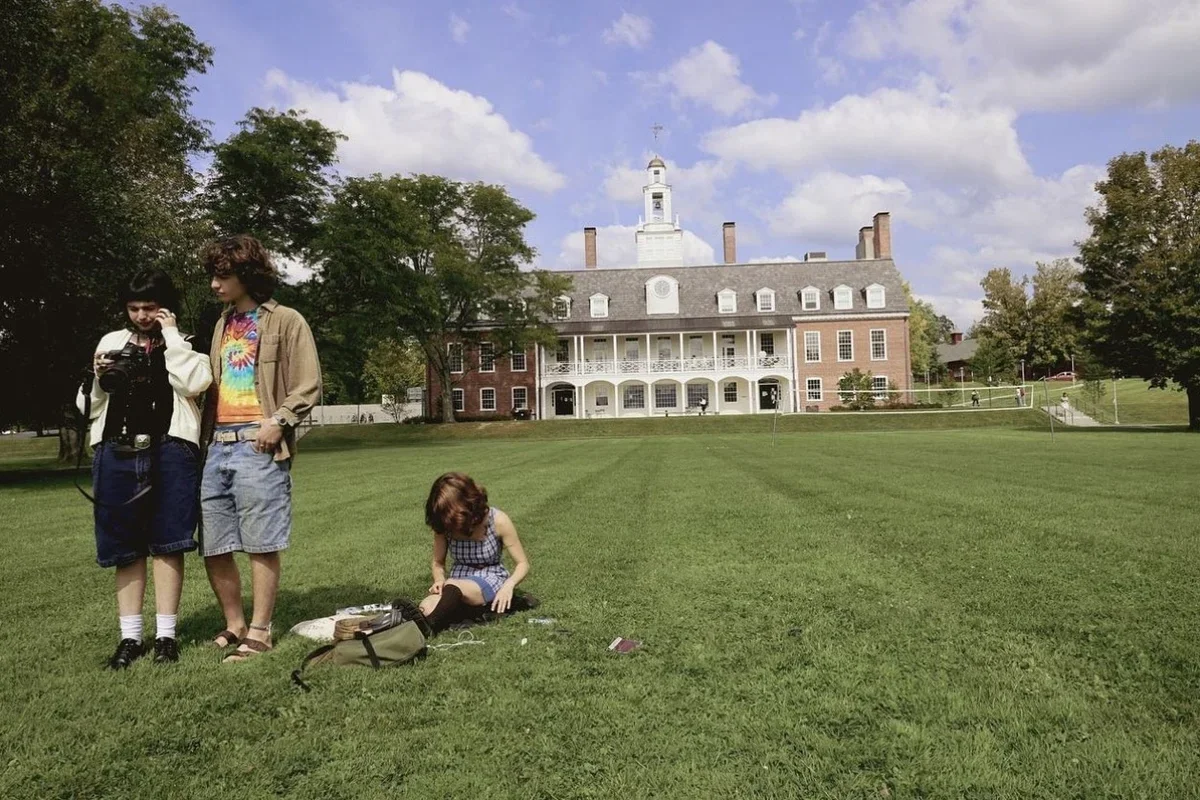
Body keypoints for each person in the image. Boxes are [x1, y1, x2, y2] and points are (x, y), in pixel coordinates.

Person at [78, 270, 212, 669]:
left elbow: (195, 384)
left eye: (149, 308)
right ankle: (130, 638)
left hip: (170, 449)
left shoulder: (186, 343)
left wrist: (171, 336)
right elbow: (86, 407)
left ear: (165, 307)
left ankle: (166, 636)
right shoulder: (111, 343)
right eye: (133, 308)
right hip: (117, 448)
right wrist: (97, 379)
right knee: (125, 547)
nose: (141, 316)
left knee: (169, 543)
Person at [198, 235, 321, 662]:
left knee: (260, 542)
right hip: (217, 445)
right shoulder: (221, 324)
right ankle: (234, 624)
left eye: (222, 276)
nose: (214, 284)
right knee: (214, 544)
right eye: (213, 276)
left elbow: (309, 383)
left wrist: (279, 422)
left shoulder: (286, 320)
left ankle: (260, 630)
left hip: (258, 444)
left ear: (246, 275)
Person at [418, 472, 531, 632]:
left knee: (452, 587)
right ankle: (466, 612)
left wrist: (509, 586)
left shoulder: (498, 520)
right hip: (458, 579)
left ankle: (428, 628)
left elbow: (522, 564)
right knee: (427, 606)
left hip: (489, 577)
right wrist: (439, 580)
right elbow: (438, 562)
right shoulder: (444, 524)